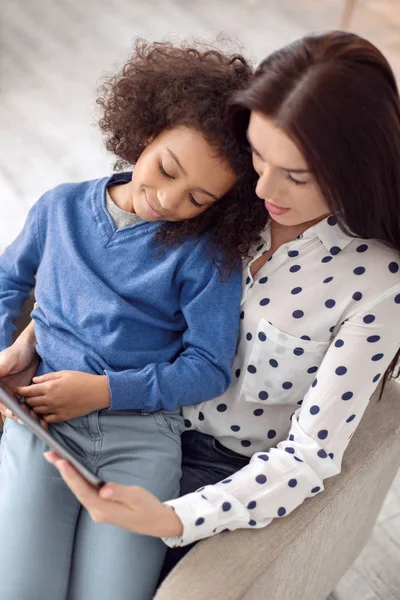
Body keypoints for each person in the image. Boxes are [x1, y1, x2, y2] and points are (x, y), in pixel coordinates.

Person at [4, 28, 400, 587]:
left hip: (216, 467)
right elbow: (92, 271)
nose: (264, 189)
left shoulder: (377, 285)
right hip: (119, 411)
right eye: (258, 158)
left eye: (296, 175)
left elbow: (310, 454)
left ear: (356, 172)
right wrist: (32, 337)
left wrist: (174, 517)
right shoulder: (224, 200)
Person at [0, 41, 265, 600]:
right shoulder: (60, 209)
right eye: (166, 170)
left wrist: (103, 391)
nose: (167, 200)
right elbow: (8, 284)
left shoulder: (208, 256)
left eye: (198, 197)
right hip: (41, 423)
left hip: (143, 438)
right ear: (147, 130)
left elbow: (208, 366)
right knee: (23, 588)